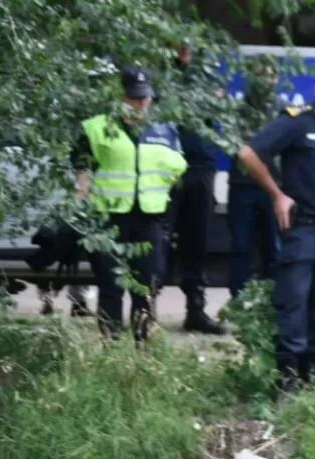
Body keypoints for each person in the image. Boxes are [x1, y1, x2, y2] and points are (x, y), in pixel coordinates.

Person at [237, 66, 315, 391]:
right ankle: (288, 380)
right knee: (294, 303)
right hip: (304, 228)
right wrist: (277, 195)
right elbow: (250, 153)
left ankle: (313, 372)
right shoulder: (298, 121)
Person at [75, 66, 188, 343]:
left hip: (149, 218)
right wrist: (82, 209)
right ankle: (111, 346)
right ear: (120, 97)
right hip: (109, 219)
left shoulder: (164, 130)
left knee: (146, 284)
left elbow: (178, 168)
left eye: (144, 98)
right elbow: (82, 175)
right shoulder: (96, 128)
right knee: (111, 285)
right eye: (133, 98)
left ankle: (142, 349)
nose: (139, 104)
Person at [168, 43, 227, 335]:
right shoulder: (162, 76)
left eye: (189, 45)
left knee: (197, 243)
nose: (185, 50)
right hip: (166, 169)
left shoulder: (206, 78)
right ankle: (145, 311)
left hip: (201, 167)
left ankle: (196, 310)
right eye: (179, 45)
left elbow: (218, 110)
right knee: (158, 242)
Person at [227, 57, 284, 296]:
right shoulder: (239, 110)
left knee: (275, 248)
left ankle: (273, 303)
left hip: (274, 188)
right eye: (259, 75)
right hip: (242, 187)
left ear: (277, 79)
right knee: (241, 247)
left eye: (269, 75)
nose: (265, 81)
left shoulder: (283, 110)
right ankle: (238, 302)